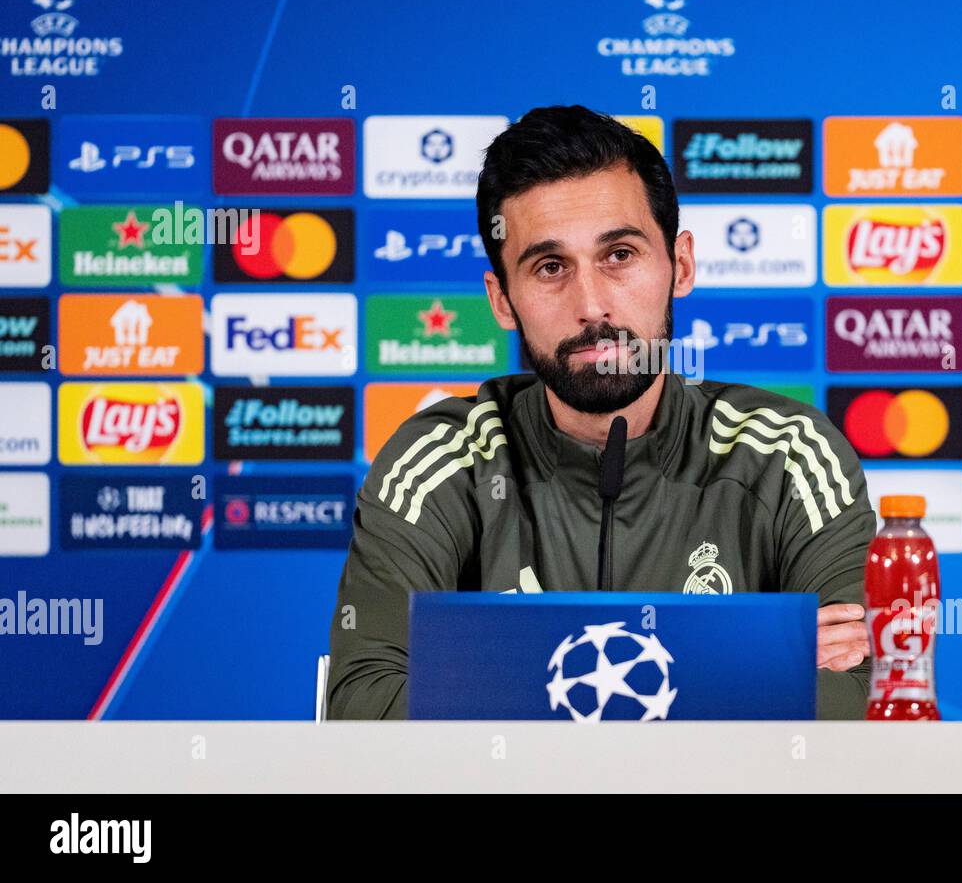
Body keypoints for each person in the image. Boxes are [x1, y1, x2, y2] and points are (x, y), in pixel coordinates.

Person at [328, 105, 876, 719]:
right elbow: (367, 708)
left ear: (681, 264)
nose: (592, 305)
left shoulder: (789, 453)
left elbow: (841, 703)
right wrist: (735, 663)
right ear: (502, 300)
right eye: (550, 267)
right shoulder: (443, 461)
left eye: (619, 254)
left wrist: (491, 667)